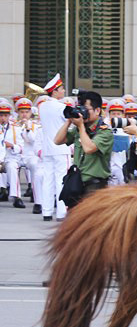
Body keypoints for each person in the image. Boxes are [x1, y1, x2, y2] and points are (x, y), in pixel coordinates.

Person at [52, 90, 114, 203]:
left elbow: (89, 148)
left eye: (86, 109)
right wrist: (69, 121)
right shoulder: (80, 129)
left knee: (92, 219)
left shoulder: (105, 132)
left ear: (97, 110)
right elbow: (57, 140)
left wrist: (80, 126)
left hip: (95, 186)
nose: (83, 112)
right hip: (77, 182)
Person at [37, 74, 71, 221]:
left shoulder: (42, 106)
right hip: (61, 147)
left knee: (48, 180)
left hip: (47, 149)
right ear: (55, 91)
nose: (63, 91)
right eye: (61, 88)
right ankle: (61, 213)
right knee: (61, 180)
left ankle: (46, 212)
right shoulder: (63, 107)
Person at [11, 98, 41, 212]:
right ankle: (16, 197)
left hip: (29, 156)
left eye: (26, 112)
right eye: (22, 112)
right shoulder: (12, 125)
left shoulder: (35, 126)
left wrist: (28, 129)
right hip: (15, 155)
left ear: (30, 113)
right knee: (11, 166)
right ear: (18, 112)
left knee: (34, 165)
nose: (24, 114)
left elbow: (33, 141)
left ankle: (35, 192)